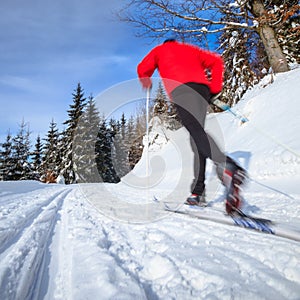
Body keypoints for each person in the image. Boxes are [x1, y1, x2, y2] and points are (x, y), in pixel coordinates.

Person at [137, 39, 246, 214]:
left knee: (195, 132)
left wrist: (146, 81)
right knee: (197, 136)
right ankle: (197, 192)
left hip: (181, 90)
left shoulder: (159, 50)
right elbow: (216, 61)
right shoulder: (190, 49)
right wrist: (214, 89)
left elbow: (143, 67)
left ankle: (227, 166)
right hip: (202, 90)